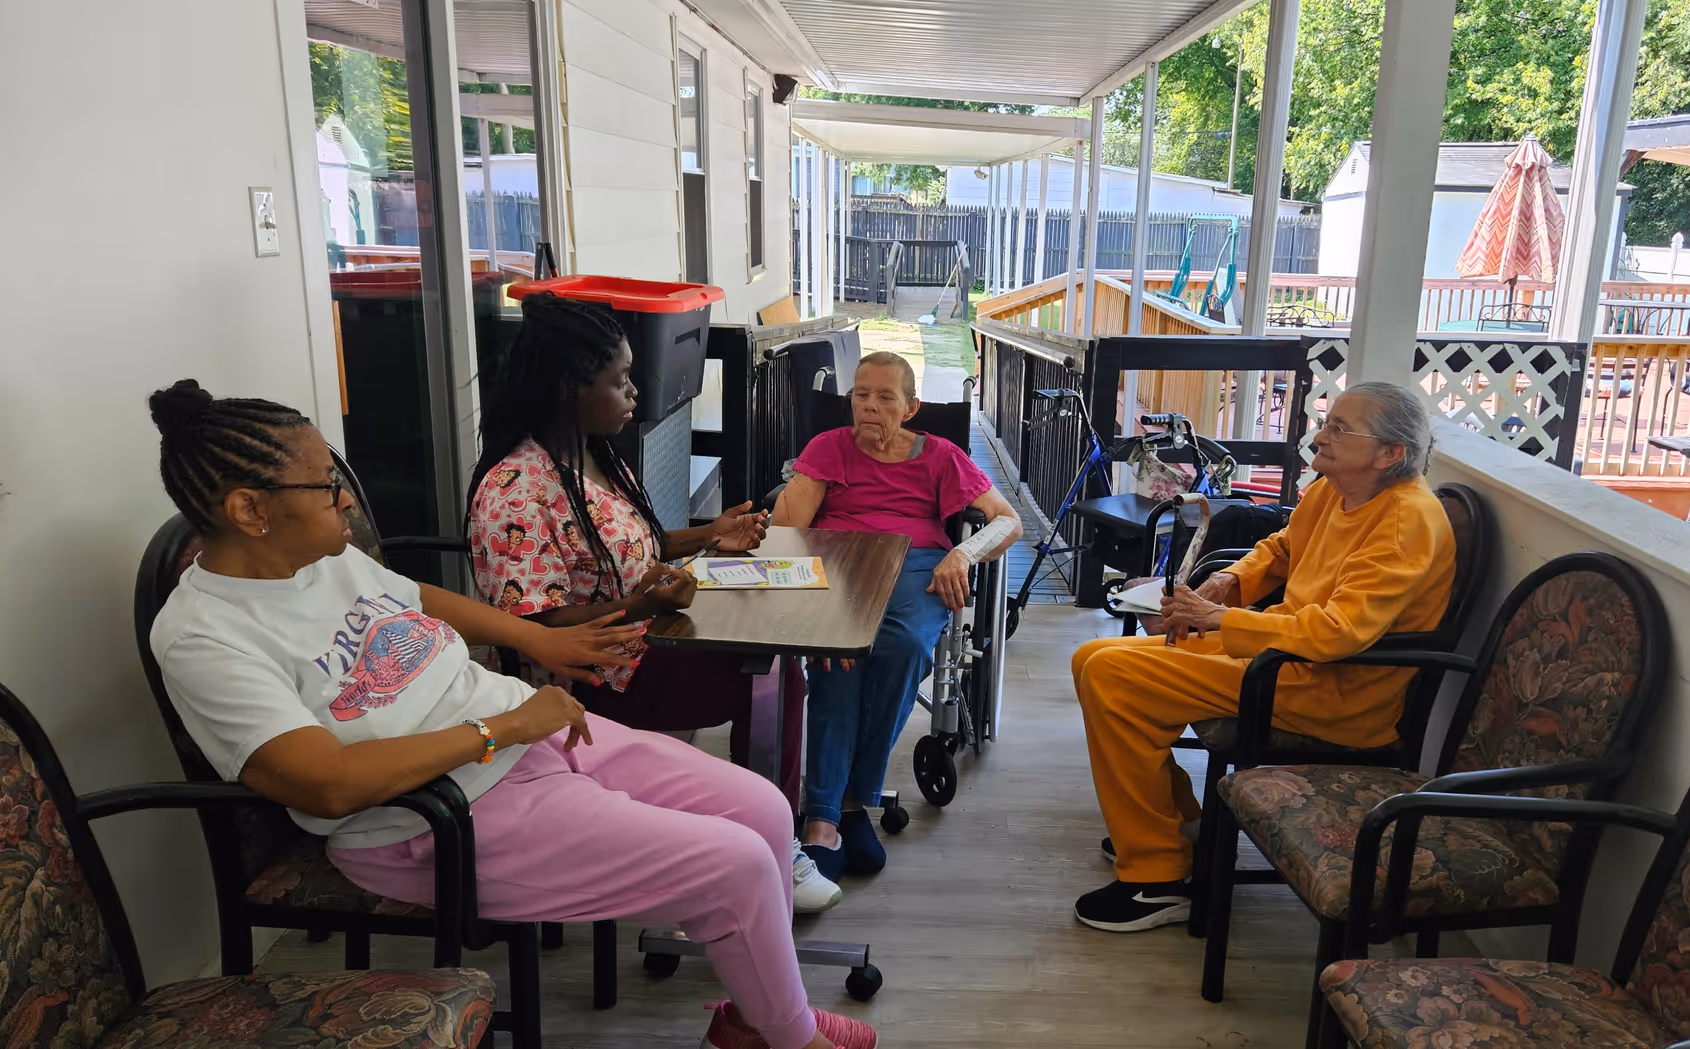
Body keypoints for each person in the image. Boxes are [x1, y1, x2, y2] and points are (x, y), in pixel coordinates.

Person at [144, 380, 873, 1049]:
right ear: (250, 509)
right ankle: (794, 1039)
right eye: (326, 482)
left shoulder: (318, 557)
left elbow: (415, 597)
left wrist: (537, 638)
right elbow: (325, 783)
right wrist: (501, 730)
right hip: (430, 820)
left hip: (525, 730)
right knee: (736, 863)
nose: (345, 499)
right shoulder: (203, 635)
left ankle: (758, 1019)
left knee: (764, 812)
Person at [465, 293, 839, 914]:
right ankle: (760, 853)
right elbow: (536, 627)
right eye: (620, 380)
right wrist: (639, 608)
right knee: (769, 676)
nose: (635, 392)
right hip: (600, 680)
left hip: (655, 637)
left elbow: (634, 540)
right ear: (569, 388)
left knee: (779, 661)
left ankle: (767, 837)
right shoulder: (515, 491)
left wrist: (709, 536)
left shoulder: (594, 454)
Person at [1069, 381, 1457, 932]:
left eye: (1340, 429)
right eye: (1327, 420)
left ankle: (1159, 877)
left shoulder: (1404, 521)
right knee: (1094, 660)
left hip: (1333, 688)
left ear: (1390, 453)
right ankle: (1176, 831)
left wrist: (1218, 620)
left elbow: (1339, 634)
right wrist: (1228, 582)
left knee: (1112, 672)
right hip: (1281, 655)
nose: (1318, 435)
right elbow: (1281, 548)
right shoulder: (1336, 490)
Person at [771, 352, 1021, 881]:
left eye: (885, 396)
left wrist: (964, 553)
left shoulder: (941, 456)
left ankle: (845, 805)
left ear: (911, 407)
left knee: (902, 646)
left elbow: (1008, 523)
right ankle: (829, 817)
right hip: (838, 561)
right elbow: (788, 527)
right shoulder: (828, 448)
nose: (869, 405)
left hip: (919, 563)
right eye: (861, 394)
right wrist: (803, 482)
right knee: (840, 654)